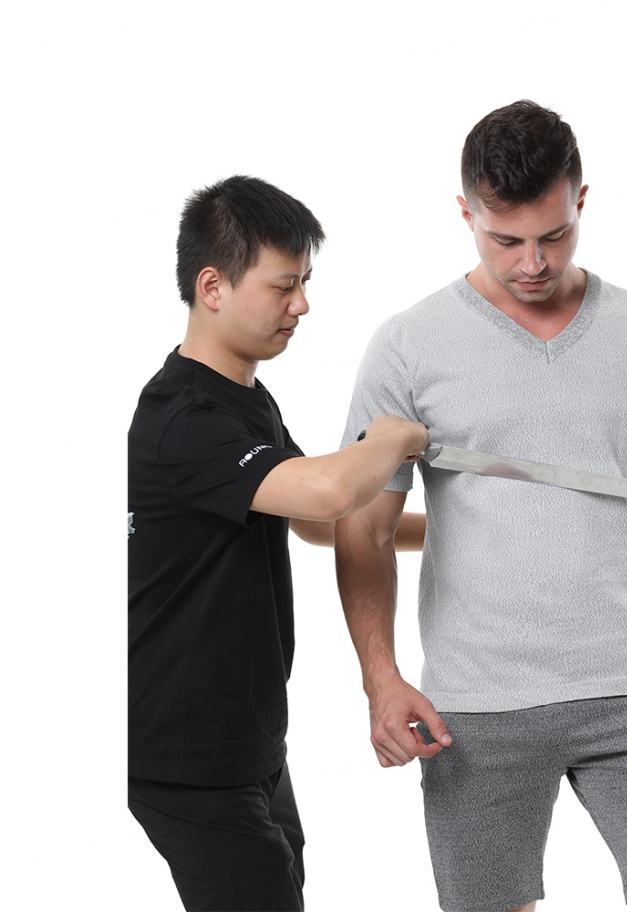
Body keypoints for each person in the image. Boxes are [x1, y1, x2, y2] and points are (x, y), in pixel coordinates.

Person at [334, 101, 627, 912]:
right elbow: (363, 526)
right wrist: (381, 678)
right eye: (505, 240)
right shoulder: (408, 345)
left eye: (554, 234)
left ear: (582, 200)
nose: (533, 262)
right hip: (478, 702)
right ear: (465, 213)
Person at [127, 174, 428, 912]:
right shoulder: (181, 416)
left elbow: (316, 520)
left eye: (305, 283)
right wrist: (392, 438)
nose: (302, 305)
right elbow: (327, 493)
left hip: (249, 744)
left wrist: (460, 532)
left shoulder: (245, 399)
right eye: (283, 286)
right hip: (185, 755)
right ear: (213, 287)